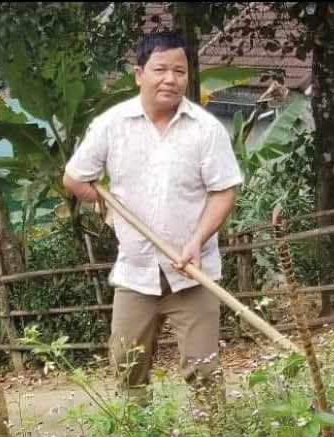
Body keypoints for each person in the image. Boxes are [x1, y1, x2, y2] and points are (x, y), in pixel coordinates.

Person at [64, 31, 244, 407]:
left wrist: (196, 241)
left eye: (180, 71)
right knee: (128, 368)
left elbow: (224, 190)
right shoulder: (111, 125)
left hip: (192, 272)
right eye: (160, 69)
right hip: (136, 272)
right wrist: (100, 200)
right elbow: (75, 176)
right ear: (138, 74)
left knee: (204, 370)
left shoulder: (206, 129)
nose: (171, 79)